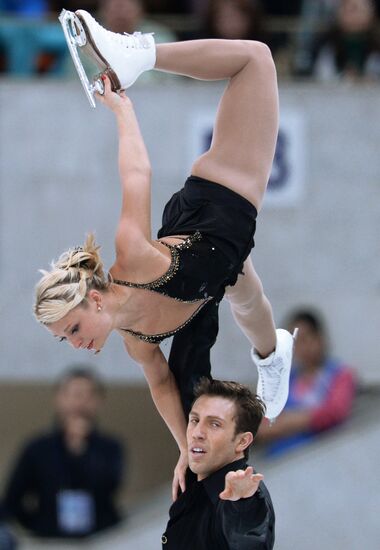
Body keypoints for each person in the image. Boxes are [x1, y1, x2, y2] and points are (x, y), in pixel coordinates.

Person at [34, 10, 297, 498]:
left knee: (256, 59)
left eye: (71, 329)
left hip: (220, 199)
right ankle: (271, 355)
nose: (75, 344)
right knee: (247, 297)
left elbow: (137, 175)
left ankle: (140, 53)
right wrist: (186, 451)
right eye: (63, 340)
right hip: (213, 271)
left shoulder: (131, 260)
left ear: (93, 300)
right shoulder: (136, 340)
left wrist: (123, 111)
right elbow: (161, 388)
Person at [0, 366, 124, 539]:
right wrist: (37, 525)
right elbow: (12, 499)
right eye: (75, 395)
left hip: (99, 538)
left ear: (99, 400)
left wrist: (79, 450)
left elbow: (109, 488)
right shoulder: (37, 449)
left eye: (89, 395)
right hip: (49, 538)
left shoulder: (110, 448)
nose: (81, 402)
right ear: (59, 398)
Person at [162, 378, 275, 549]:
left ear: (242, 441)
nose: (197, 433)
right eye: (194, 420)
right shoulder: (195, 476)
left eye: (214, 424)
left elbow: (249, 540)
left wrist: (241, 504)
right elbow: (165, 382)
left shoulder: (246, 495)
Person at [256, 308, 357, 457]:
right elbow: (262, 428)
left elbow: (334, 411)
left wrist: (287, 422)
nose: (302, 347)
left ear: (320, 338)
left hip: (322, 457)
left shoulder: (340, 375)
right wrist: (308, 419)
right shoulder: (282, 381)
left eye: (306, 338)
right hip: (281, 460)